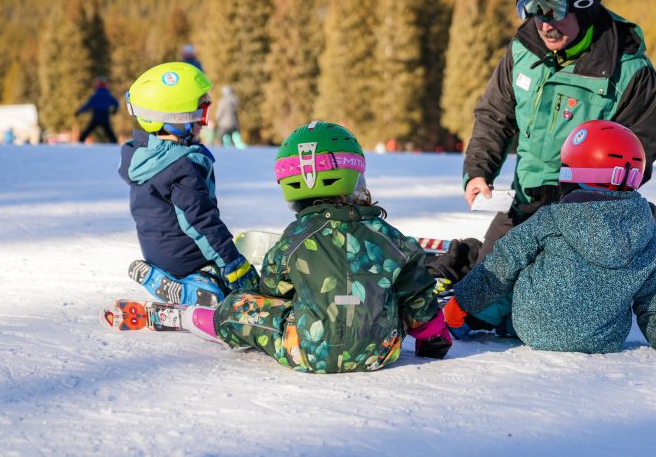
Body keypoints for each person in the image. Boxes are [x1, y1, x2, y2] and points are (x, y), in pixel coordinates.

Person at [180, 121, 452, 373]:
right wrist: (434, 338)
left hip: (307, 351)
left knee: (239, 305)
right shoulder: (392, 239)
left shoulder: (295, 238)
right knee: (393, 296)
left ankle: (206, 320)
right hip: (380, 352)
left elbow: (273, 293)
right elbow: (419, 300)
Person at [462, 0, 656, 261]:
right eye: (530, 9)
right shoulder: (524, 50)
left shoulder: (628, 70)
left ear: (585, 8)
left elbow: (638, 154)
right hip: (527, 202)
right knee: (487, 286)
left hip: (587, 212)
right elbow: (494, 116)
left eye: (552, 10)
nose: (543, 24)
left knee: (559, 299)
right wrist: (478, 171)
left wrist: (584, 205)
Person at [444, 120, 656, 355]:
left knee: (511, 275)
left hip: (534, 328)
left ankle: (460, 321)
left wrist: (463, 300)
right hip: (604, 340)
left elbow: (503, 260)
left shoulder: (552, 217)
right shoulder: (651, 235)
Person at [118, 62, 259, 307]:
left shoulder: (144, 155)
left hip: (159, 251)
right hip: (185, 257)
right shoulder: (182, 166)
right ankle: (195, 288)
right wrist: (232, 262)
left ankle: (165, 276)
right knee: (229, 292)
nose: (204, 123)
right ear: (176, 119)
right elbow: (202, 222)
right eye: (201, 113)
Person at [76, 77, 119, 143]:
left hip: (96, 115)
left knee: (89, 129)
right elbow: (116, 103)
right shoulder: (108, 95)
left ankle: (81, 140)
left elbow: (88, 105)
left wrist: (79, 111)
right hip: (105, 115)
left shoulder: (95, 95)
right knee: (109, 131)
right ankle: (115, 142)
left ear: (97, 85)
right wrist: (115, 110)